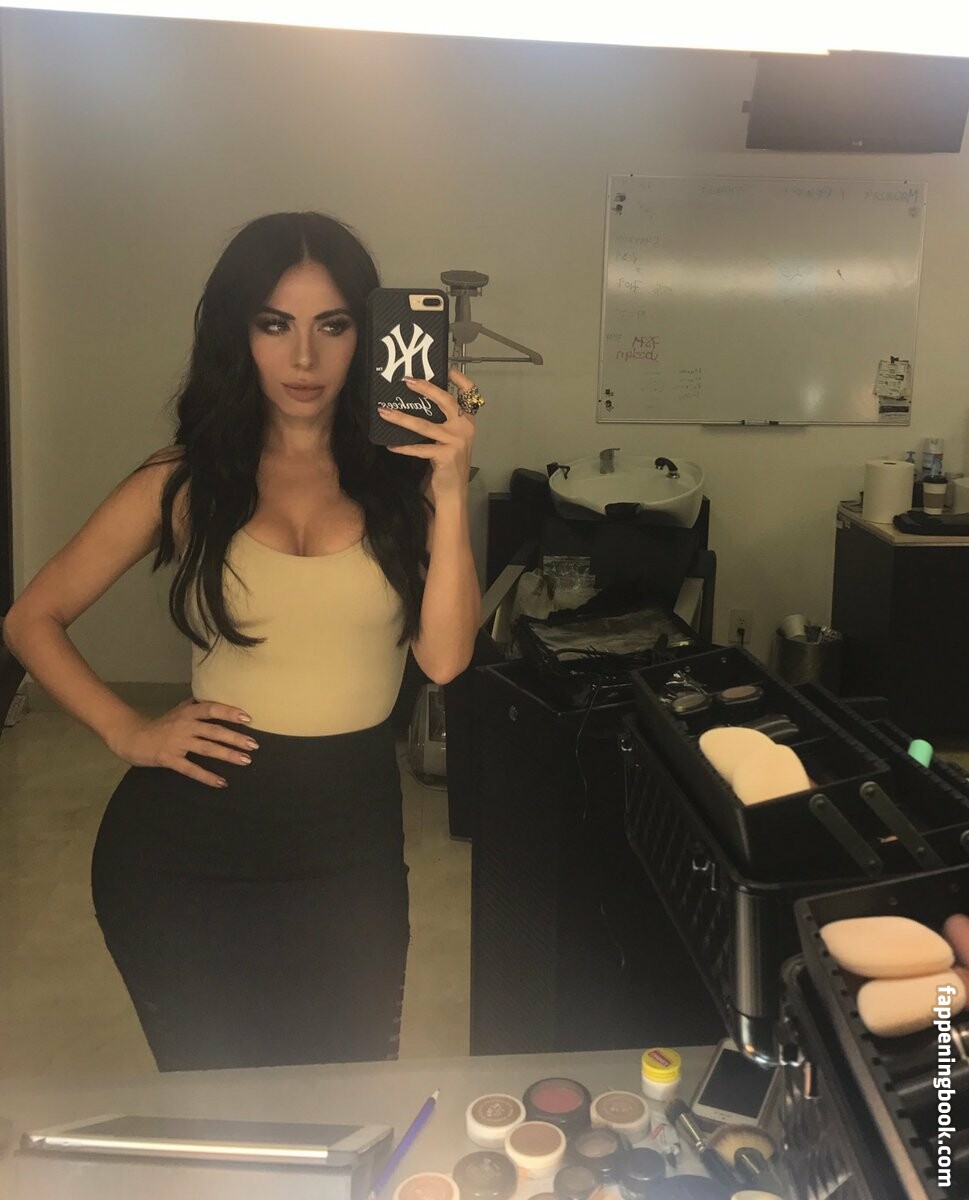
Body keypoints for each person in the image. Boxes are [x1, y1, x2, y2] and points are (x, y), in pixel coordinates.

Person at [1, 211, 483, 1071]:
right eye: (273, 324)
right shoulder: (185, 481)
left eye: (331, 325)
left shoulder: (403, 484)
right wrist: (128, 729)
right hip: (183, 855)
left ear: (365, 335)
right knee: (219, 1103)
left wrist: (449, 488)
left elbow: (443, 659)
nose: (303, 358)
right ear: (238, 333)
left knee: (347, 1094)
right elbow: (29, 618)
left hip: (349, 846)